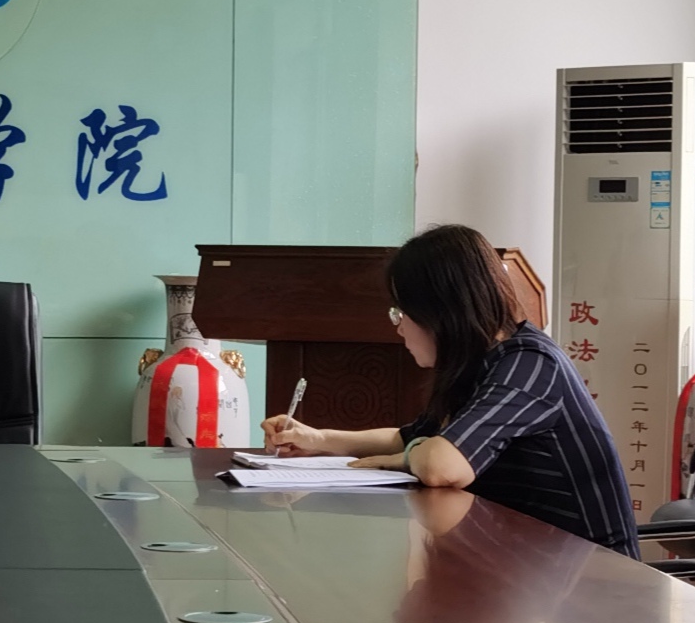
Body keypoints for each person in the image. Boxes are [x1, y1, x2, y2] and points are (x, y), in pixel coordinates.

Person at [259, 223, 638, 553]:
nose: (398, 327)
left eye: (401, 312)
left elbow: (441, 465)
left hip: (592, 581)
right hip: (530, 564)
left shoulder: (531, 364)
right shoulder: (481, 363)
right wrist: (319, 439)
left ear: (440, 312)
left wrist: (408, 456)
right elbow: (411, 437)